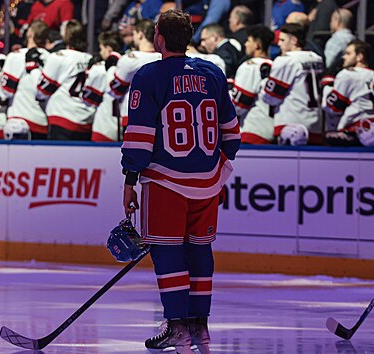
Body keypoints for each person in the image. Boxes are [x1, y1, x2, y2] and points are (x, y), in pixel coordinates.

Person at [121, 9, 240, 353]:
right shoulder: (213, 73)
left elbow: (140, 138)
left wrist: (130, 179)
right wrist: (213, 173)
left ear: (159, 37)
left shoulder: (149, 75)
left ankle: (176, 327)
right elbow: (232, 138)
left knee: (167, 252)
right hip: (206, 183)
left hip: (165, 182)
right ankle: (198, 325)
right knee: (200, 251)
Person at [260, 23, 324, 145]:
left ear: (294, 40)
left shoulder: (285, 60)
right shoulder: (316, 58)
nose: (279, 44)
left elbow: (271, 97)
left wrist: (264, 83)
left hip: (291, 124)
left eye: (283, 40)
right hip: (315, 124)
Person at [36, 20, 95, 140]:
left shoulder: (59, 57)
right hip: (86, 120)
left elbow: (41, 92)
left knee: (58, 159)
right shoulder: (91, 60)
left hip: (62, 119)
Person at [0, 20, 50, 139]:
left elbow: (5, 91)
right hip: (42, 121)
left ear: (30, 34)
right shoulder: (52, 59)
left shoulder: (16, 56)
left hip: (19, 122)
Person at [109, 19, 161, 130]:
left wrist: (111, 70)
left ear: (141, 34)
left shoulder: (131, 59)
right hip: (161, 118)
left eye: (134, 34)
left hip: (134, 118)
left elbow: (115, 91)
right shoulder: (165, 57)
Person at [230, 25, 275, 144]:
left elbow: (239, 105)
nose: (245, 44)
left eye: (248, 41)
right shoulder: (276, 65)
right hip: (273, 130)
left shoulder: (251, 66)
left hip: (253, 131)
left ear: (257, 45)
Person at [82, 31, 123, 141]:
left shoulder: (99, 69)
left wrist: (89, 71)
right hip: (122, 126)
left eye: (101, 49)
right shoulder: (127, 66)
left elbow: (88, 99)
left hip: (104, 126)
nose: (100, 52)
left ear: (109, 49)